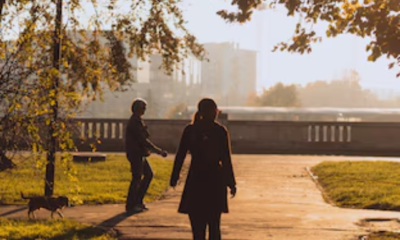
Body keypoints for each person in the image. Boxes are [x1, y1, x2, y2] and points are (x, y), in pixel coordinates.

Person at [170, 98, 237, 240]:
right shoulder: (220, 131)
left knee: (197, 229)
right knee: (214, 227)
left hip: (196, 179)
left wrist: (174, 177)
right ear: (212, 111)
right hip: (215, 180)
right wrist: (231, 182)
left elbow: (180, 155)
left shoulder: (190, 130)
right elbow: (226, 159)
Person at [125, 98, 168, 213]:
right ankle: (131, 204)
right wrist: (158, 151)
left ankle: (138, 201)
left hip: (139, 153)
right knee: (137, 178)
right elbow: (142, 140)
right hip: (136, 153)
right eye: (143, 108)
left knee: (147, 175)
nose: (144, 110)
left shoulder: (137, 120)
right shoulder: (135, 122)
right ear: (137, 109)